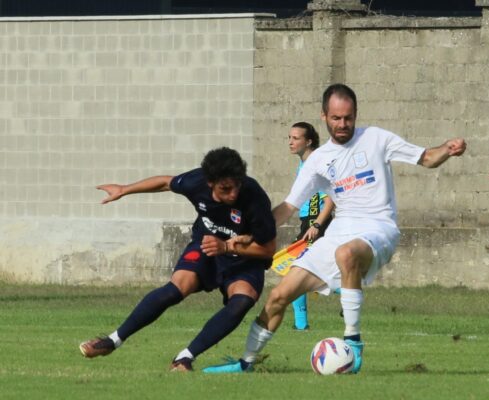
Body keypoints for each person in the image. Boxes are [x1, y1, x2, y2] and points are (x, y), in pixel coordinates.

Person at [203, 83, 466, 374]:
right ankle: (246, 363)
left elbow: (426, 157)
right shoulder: (318, 160)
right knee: (279, 296)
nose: (343, 124)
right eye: (336, 118)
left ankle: (352, 341)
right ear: (324, 116)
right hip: (339, 232)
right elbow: (289, 207)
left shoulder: (377, 138)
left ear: (356, 114)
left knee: (346, 254)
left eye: (349, 118)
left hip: (379, 229)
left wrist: (447, 149)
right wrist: (253, 233)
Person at [79, 147, 276, 371]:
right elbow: (165, 182)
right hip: (206, 245)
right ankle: (112, 340)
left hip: (244, 257)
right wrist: (125, 189)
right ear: (210, 183)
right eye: (226, 189)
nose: (233, 194)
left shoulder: (254, 197)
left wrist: (228, 246)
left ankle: (185, 358)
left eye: (236, 186)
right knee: (177, 287)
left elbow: (268, 249)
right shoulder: (196, 182)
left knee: (243, 300)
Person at [287, 121, 334, 330]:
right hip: (308, 220)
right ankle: (300, 325)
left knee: (296, 270)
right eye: (289, 137)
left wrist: (317, 224)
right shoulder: (303, 163)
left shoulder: (317, 163)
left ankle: (301, 324)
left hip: (316, 220)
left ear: (309, 141)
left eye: (295, 138)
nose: (290, 142)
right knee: (303, 271)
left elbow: (330, 198)